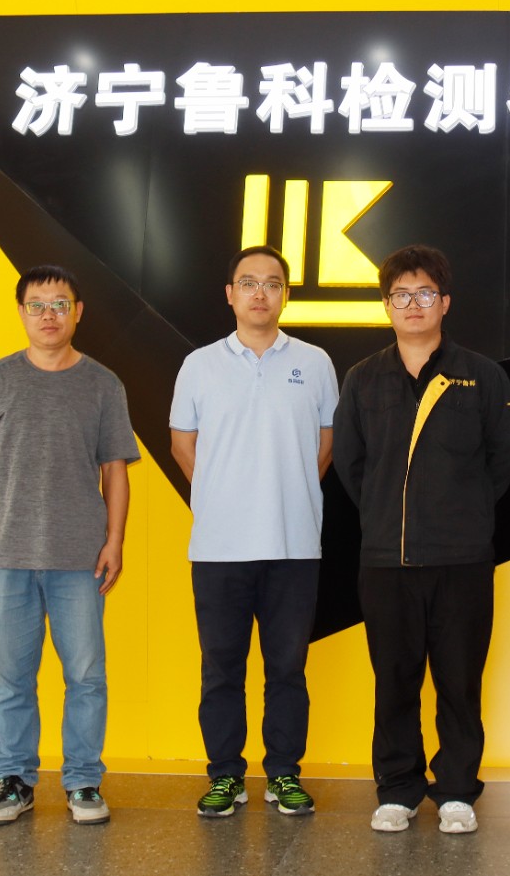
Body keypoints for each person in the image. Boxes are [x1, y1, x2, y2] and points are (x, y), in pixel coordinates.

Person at [333, 245, 510, 835]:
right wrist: (388, 514)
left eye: (424, 294)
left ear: (445, 302)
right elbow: (351, 465)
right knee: (394, 681)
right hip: (385, 559)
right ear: (386, 305)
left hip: (462, 559)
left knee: (459, 681)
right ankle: (398, 789)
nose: (413, 304)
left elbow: (503, 458)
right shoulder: (363, 378)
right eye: (400, 295)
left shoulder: (482, 375)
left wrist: (460, 514)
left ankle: (458, 790)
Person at [0, 264, 139, 826]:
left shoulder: (103, 384)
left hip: (79, 558)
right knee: (12, 678)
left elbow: (115, 470)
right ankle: (14, 781)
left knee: (86, 676)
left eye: (59, 304)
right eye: (36, 305)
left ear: (77, 312)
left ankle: (83, 781)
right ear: (21, 312)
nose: (48, 315)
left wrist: (114, 540)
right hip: (8, 555)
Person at [169, 245, 338, 817]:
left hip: (294, 545)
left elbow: (325, 446)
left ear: (285, 294)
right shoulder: (199, 365)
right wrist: (223, 498)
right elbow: (182, 445)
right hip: (219, 548)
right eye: (248, 283)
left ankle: (284, 773)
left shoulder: (315, 362)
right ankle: (225, 775)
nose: (260, 293)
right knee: (221, 669)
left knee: (287, 668)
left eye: (271, 283)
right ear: (230, 294)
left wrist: (285, 492)